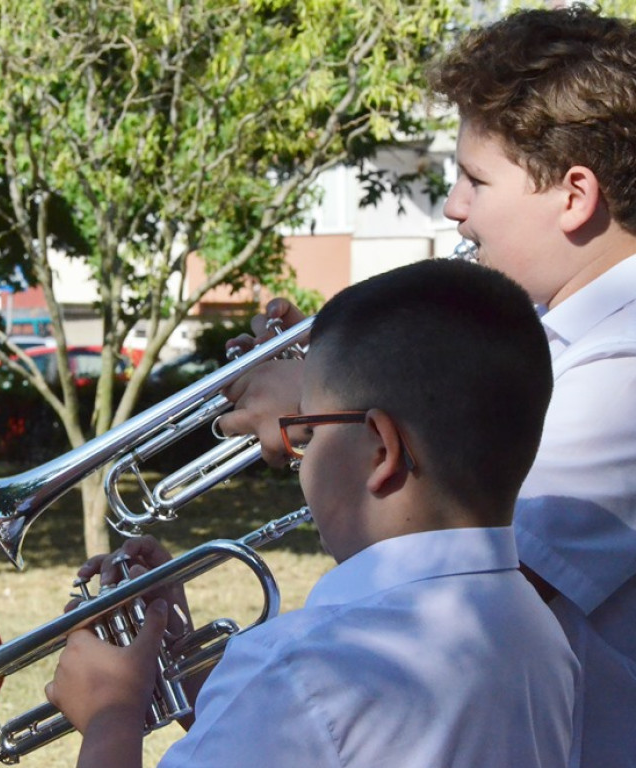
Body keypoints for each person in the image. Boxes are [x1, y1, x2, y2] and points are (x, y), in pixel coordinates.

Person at [222, 7, 636, 766]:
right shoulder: (555, 332)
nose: (454, 206)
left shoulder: (625, 370)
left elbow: (446, 584)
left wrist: (323, 406)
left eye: (476, 179)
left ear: (575, 195)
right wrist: (352, 361)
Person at [45, 259, 579, 768]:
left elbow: (307, 712)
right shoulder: (541, 634)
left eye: (310, 431)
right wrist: (182, 657)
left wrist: (111, 717)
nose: (295, 458)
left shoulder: (298, 668)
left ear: (381, 450)